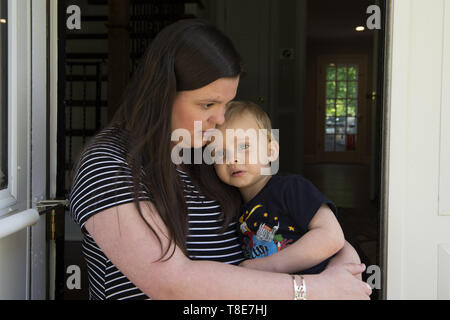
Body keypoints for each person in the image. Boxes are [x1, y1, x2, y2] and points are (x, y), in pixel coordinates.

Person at [68, 18, 372, 300]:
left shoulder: (212, 160)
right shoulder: (109, 164)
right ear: (161, 95)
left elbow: (306, 231)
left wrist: (342, 269)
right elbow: (171, 283)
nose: (220, 118)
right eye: (207, 104)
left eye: (225, 104)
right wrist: (310, 291)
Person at [213, 100, 345, 276]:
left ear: (271, 151)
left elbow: (332, 237)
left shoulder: (292, 188)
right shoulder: (234, 205)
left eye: (244, 146)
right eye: (221, 153)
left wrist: (268, 266)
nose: (232, 159)